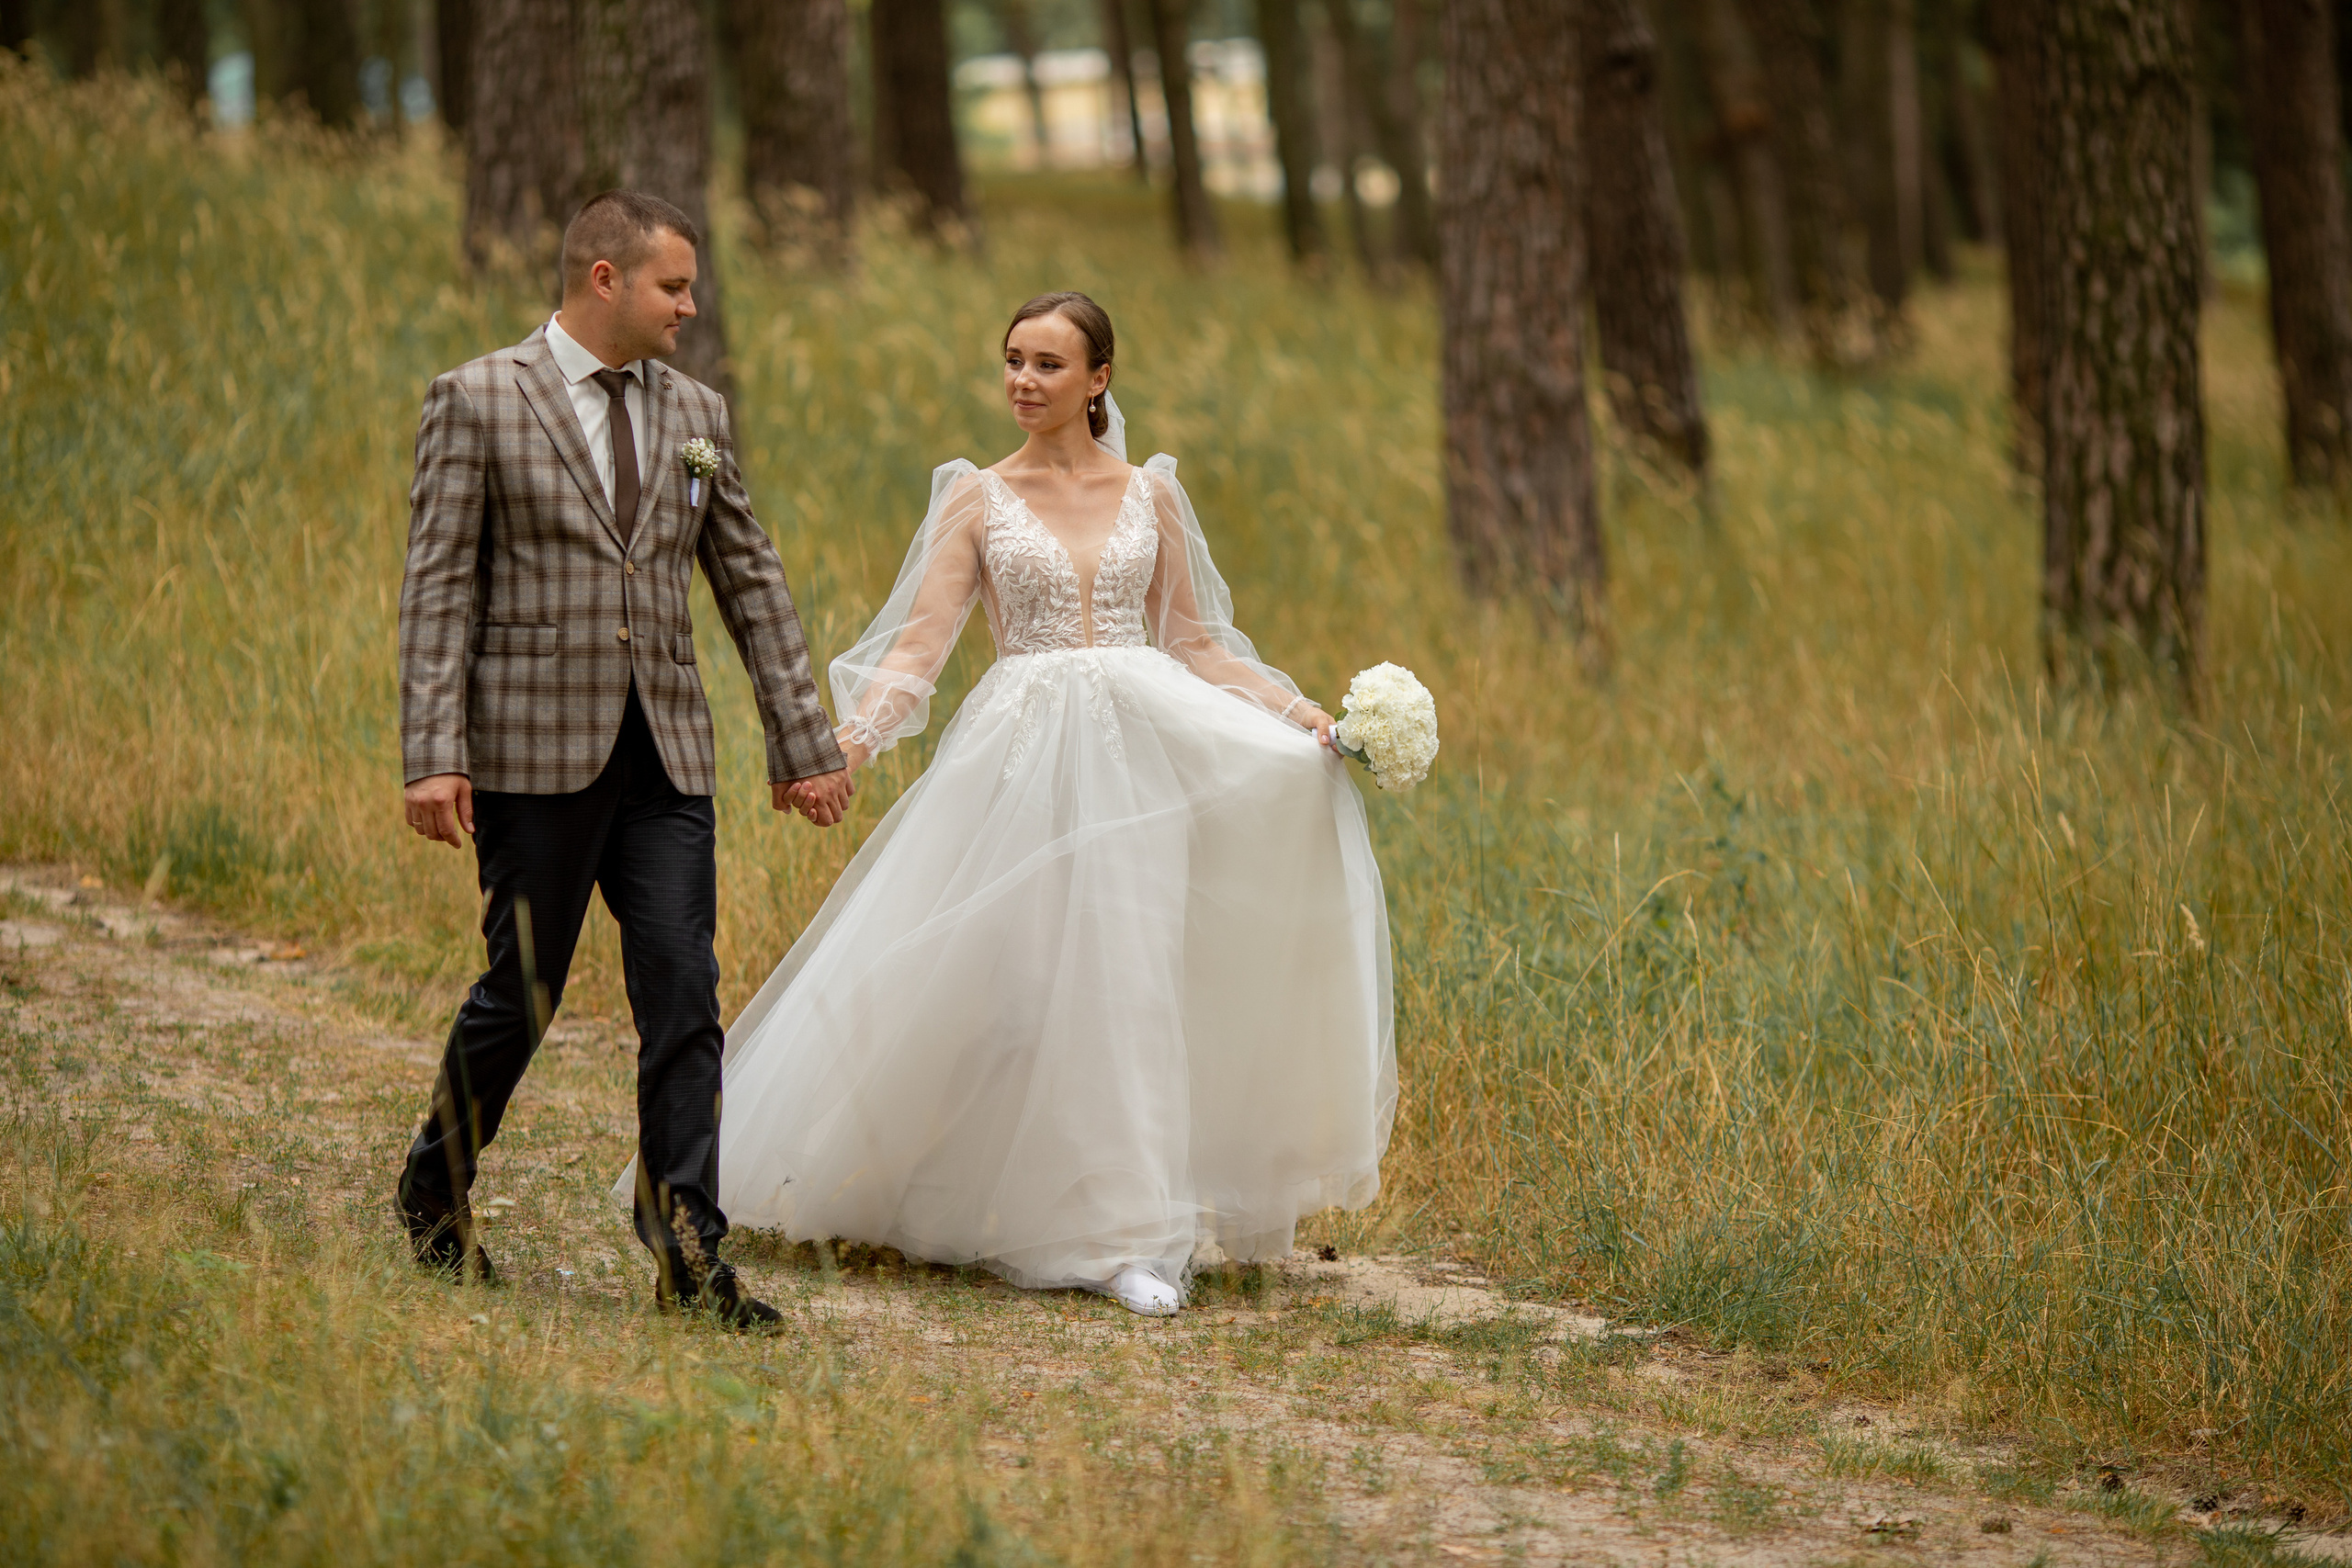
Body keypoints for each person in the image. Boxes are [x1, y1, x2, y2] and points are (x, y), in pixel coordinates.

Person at [622, 292, 1396, 1315]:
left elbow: (1195, 643)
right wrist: (839, 744)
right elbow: (920, 648)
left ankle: (1126, 1234)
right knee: (1022, 989)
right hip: (1021, 758)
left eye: (1046, 365)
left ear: (1098, 380)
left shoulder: (1151, 493)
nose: (1023, 382)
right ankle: (959, 1190)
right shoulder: (976, 498)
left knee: (1130, 976)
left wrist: (1303, 717)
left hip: (1143, 755)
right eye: (1012, 362)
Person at [395, 189, 852, 1327]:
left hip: (667, 758)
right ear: (605, 279)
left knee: (685, 998)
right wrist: (431, 753)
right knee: (523, 993)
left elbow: (750, 579)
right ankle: (433, 1191)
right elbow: (438, 590)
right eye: (674, 287)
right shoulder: (477, 399)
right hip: (531, 754)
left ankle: (689, 1251)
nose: (690, 307)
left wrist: (802, 740)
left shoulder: (697, 408)